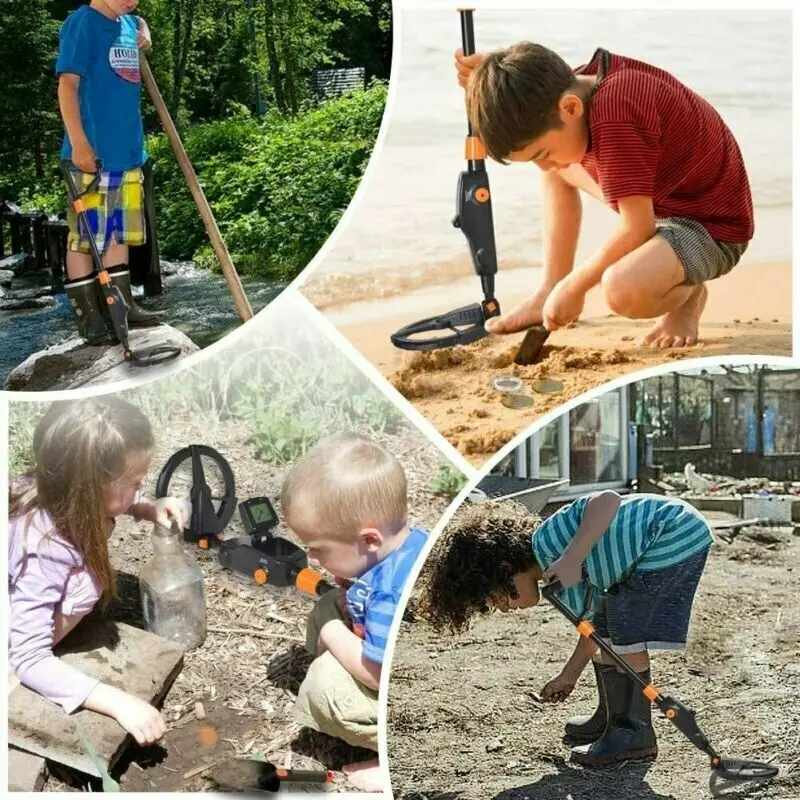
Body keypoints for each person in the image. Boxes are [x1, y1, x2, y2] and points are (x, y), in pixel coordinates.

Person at [455, 42, 753, 348]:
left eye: (541, 153)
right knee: (558, 169)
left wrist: (575, 287)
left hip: (710, 227)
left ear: (570, 108)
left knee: (622, 290)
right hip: (665, 198)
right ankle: (549, 287)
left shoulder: (616, 115)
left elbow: (637, 228)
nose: (542, 166)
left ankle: (688, 294)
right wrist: (493, 78)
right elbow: (533, 76)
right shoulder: (574, 87)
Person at [419, 492, 712, 766]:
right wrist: (569, 675)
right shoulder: (557, 583)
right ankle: (613, 719)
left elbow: (607, 500)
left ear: (504, 568)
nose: (504, 608)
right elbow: (594, 626)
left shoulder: (550, 541)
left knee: (625, 633)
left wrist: (573, 556)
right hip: (660, 543)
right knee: (609, 627)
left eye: (495, 597)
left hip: (672, 533)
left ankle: (633, 733)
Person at [8, 398, 187, 746]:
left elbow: (112, 496)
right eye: (134, 482)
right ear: (90, 487)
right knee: (26, 659)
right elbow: (29, 656)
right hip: (19, 639)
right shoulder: (44, 548)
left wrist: (145, 507)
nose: (140, 488)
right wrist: (118, 702)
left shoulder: (61, 490)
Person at [280, 433, 429, 791]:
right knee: (328, 604)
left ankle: (395, 756)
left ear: (370, 540)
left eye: (318, 550)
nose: (313, 559)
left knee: (323, 685)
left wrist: (333, 632)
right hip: (408, 664)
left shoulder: (390, 593)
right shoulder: (406, 547)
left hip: (408, 696)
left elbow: (382, 676)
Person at [56, 0, 163, 344]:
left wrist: (143, 27)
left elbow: (136, 22)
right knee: (84, 240)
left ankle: (122, 308)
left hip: (128, 152)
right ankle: (90, 320)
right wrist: (79, 144)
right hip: (91, 155)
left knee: (118, 233)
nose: (131, 0)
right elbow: (67, 86)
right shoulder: (81, 24)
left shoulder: (128, 24)